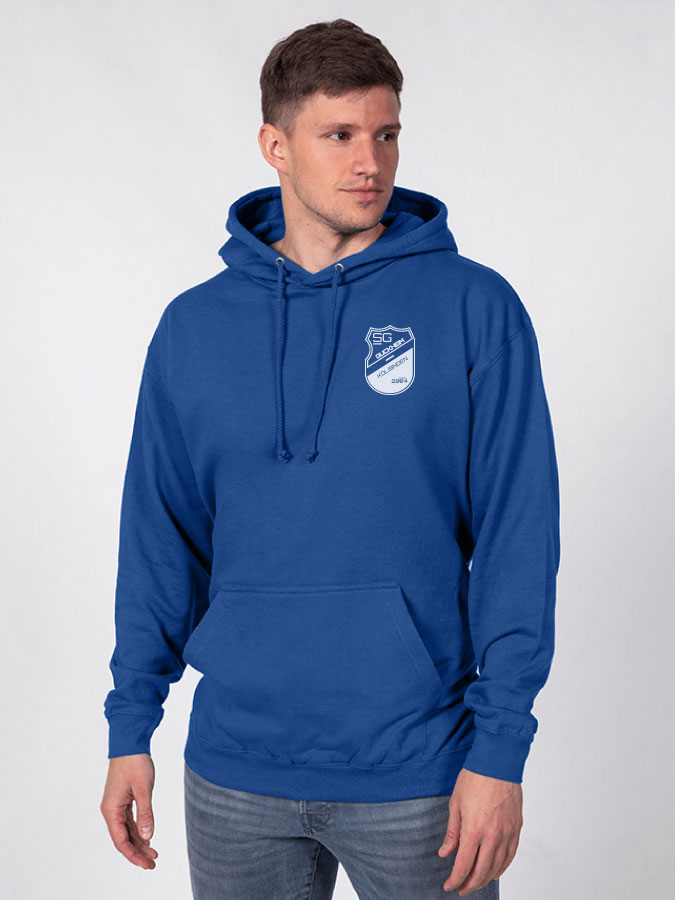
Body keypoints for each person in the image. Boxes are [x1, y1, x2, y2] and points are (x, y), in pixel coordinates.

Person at [99, 18, 560, 899]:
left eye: (386, 134)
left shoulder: (472, 307)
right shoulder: (194, 328)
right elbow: (159, 538)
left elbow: (517, 536)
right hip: (233, 771)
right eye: (339, 135)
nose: (369, 162)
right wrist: (131, 726)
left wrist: (500, 750)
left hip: (420, 771)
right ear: (275, 146)